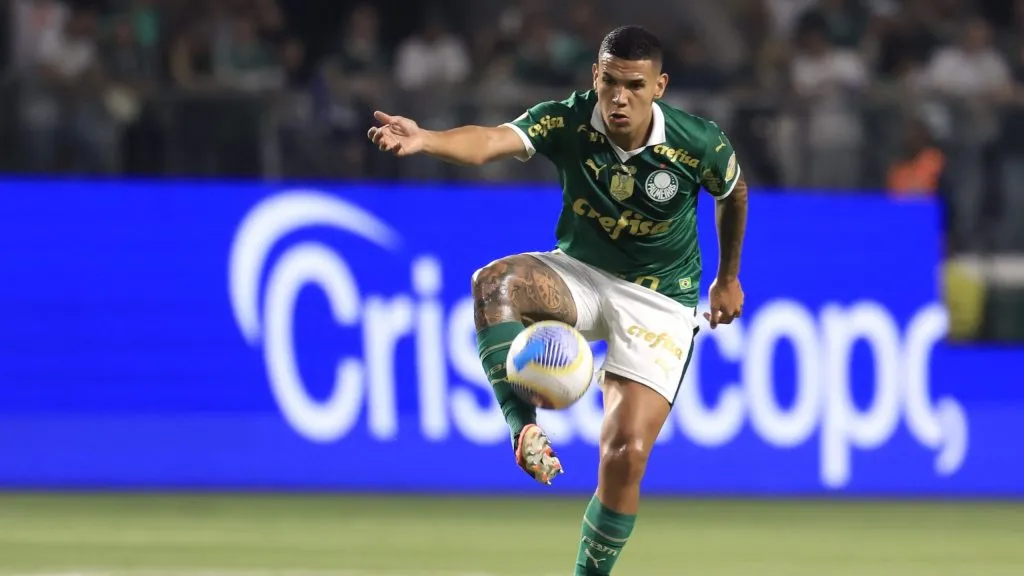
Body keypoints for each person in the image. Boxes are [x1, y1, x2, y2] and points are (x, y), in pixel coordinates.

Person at [367, 25, 747, 576]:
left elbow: (732, 192)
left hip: (660, 298)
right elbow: (490, 141)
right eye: (610, 82)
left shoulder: (697, 142)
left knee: (624, 455)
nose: (619, 97)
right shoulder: (567, 120)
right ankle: (522, 428)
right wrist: (426, 138)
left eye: (635, 86)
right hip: (582, 273)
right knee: (494, 283)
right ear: (595, 76)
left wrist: (728, 278)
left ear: (659, 87)